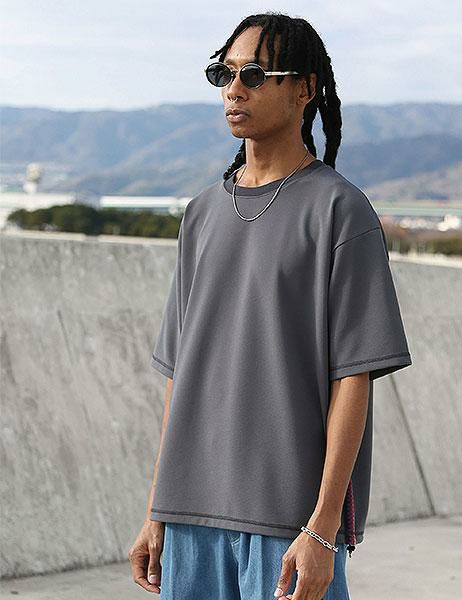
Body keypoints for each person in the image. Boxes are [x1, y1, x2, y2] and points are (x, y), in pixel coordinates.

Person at [129, 11, 412, 600]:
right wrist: (158, 509)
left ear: (305, 88)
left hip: (289, 524)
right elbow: (180, 376)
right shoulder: (201, 214)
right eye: (224, 74)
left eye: (255, 75)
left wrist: (323, 528)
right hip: (190, 516)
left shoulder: (340, 211)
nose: (234, 90)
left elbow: (353, 379)